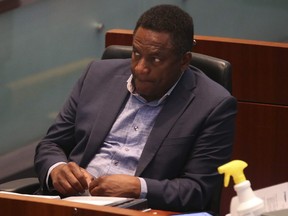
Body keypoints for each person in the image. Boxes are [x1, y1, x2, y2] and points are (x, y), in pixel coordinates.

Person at [34, 4, 237, 213]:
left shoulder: (213, 105)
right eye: (136, 53)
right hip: (68, 204)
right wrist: (57, 169)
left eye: (155, 59)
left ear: (184, 61)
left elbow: (197, 190)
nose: (140, 68)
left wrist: (138, 187)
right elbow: (51, 144)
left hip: (140, 210)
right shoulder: (97, 75)